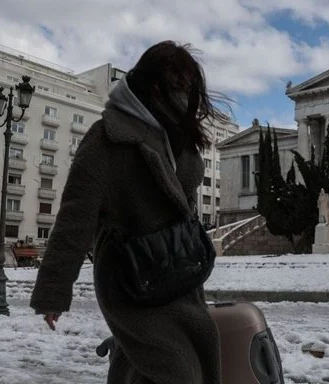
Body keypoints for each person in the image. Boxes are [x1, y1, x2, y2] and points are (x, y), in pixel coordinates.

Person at [29, 41, 230, 384]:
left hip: (177, 271)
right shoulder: (107, 137)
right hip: (131, 275)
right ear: (154, 85)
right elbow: (74, 220)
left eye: (189, 88)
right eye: (178, 86)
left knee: (179, 353)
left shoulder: (177, 133)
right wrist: (53, 293)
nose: (186, 96)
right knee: (176, 370)